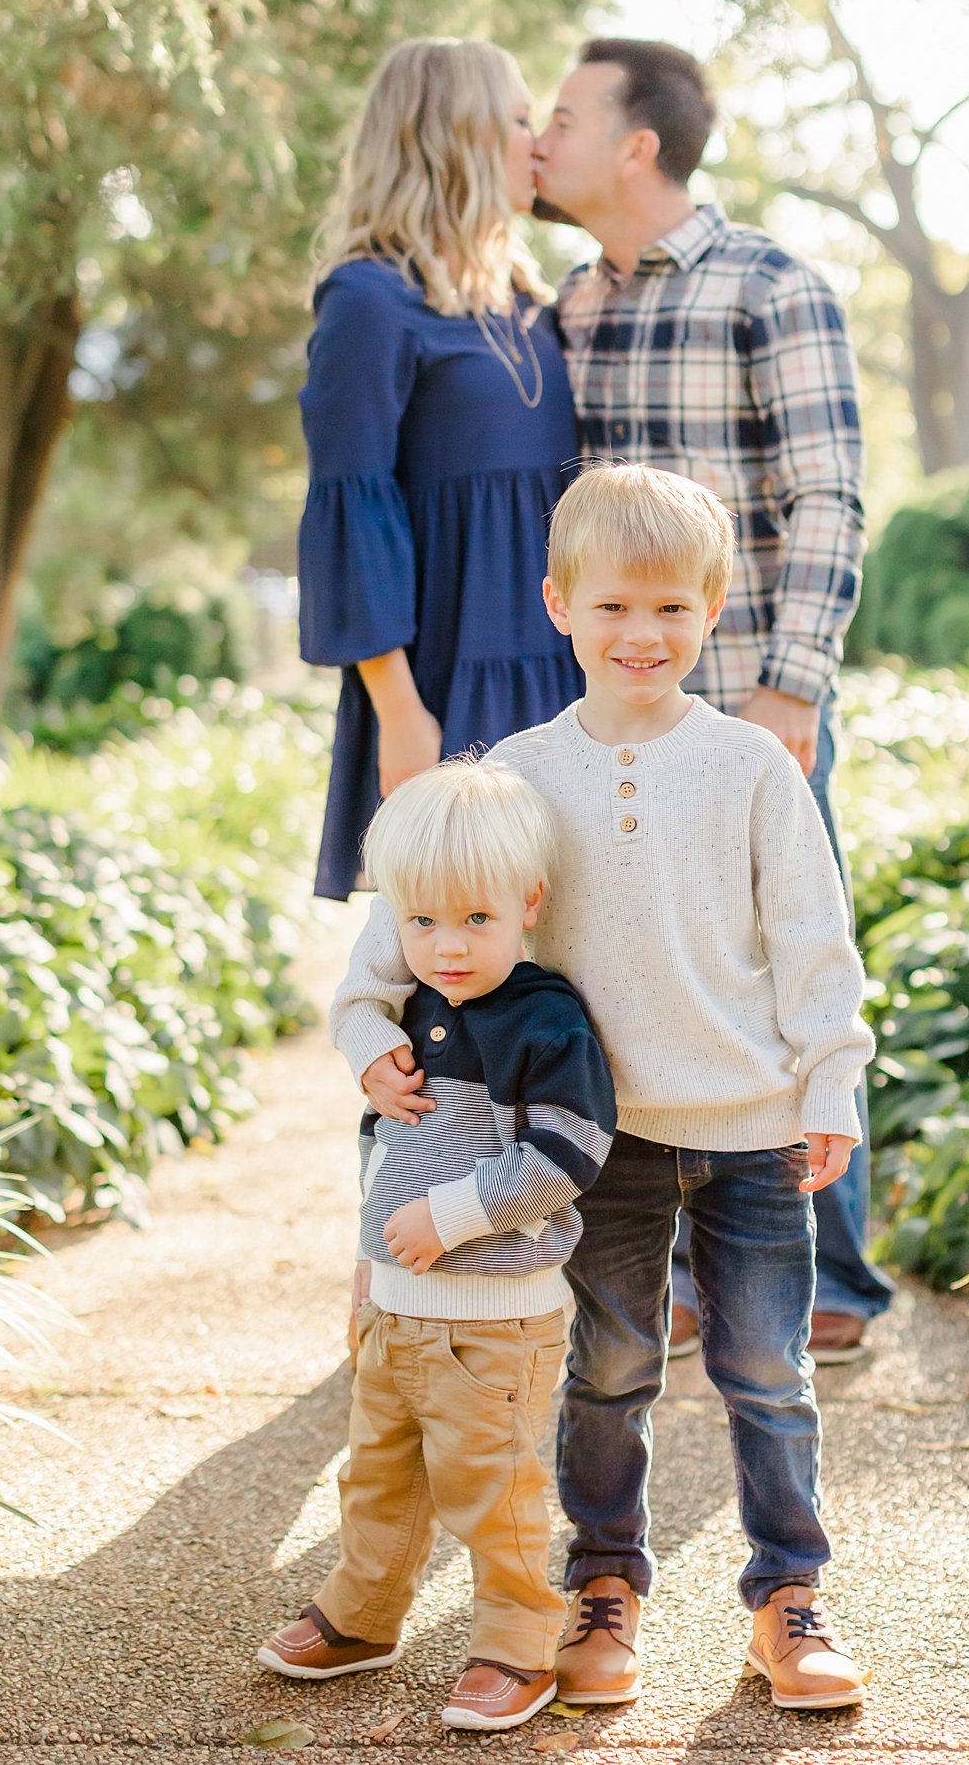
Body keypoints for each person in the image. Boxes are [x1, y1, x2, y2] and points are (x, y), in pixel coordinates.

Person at [332, 465, 875, 1712]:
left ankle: (790, 1598)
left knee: (766, 1371)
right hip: (596, 1143)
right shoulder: (517, 776)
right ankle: (603, 1587)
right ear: (559, 605)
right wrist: (366, 1039)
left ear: (714, 611)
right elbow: (389, 949)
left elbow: (811, 939)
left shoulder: (749, 767)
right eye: (616, 607)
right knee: (612, 1371)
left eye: (673, 610)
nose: (645, 636)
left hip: (750, 1134)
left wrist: (830, 1082)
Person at [531, 38, 894, 1361]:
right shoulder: (568, 302)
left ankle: (833, 1277)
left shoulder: (768, 284)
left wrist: (794, 686)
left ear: (639, 143)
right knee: (648, 973)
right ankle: (683, 1271)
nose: (538, 136)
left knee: (792, 973)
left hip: (750, 704)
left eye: (561, 117)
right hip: (625, 710)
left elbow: (828, 497)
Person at [258, 759, 616, 1731]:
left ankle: (517, 1645)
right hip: (395, 1312)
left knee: (491, 1492)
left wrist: (454, 1217)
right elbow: (384, 1160)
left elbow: (566, 1156)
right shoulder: (410, 1015)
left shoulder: (546, 1021)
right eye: (421, 923)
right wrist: (369, 1273)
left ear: (527, 903)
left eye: (474, 921)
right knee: (377, 1474)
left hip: (493, 1325)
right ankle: (364, 1613)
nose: (447, 948)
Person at [296, 37, 582, 902]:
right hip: (450, 680)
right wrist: (401, 713)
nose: (537, 145)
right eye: (523, 121)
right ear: (459, 135)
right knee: (460, 942)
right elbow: (353, 508)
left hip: (563, 666)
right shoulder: (368, 300)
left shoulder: (531, 305)